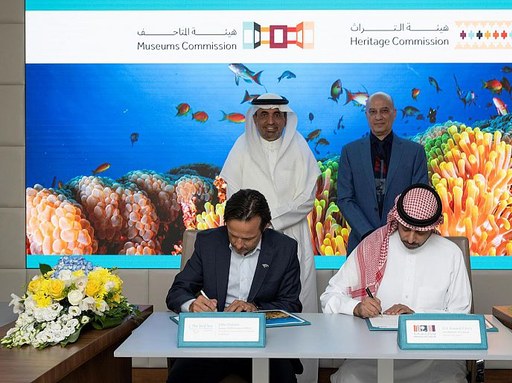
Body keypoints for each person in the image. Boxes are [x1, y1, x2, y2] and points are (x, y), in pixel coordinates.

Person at [321, 183, 472, 383]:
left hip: (433, 357)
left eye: (420, 232)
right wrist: (356, 307)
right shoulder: (373, 246)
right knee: (350, 378)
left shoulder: (451, 254)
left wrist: (416, 317)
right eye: (405, 228)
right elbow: (329, 297)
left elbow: (461, 316)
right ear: (397, 220)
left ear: (432, 227)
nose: (411, 238)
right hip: (374, 352)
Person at [220, 93, 320, 383]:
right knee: (252, 299)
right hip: (250, 241)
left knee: (298, 302)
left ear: (286, 118)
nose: (271, 121)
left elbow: (307, 199)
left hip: (294, 236)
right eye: (264, 114)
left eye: (278, 114)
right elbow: (233, 200)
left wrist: (270, 222)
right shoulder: (241, 148)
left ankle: (299, 376)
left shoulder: (299, 146)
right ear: (254, 118)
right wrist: (256, 228)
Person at [166, 189, 302, 383]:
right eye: (233, 235)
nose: (238, 244)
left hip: (264, 341)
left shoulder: (284, 248)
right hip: (212, 341)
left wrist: (255, 309)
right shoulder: (208, 242)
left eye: (248, 239)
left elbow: (291, 304)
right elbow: (177, 291)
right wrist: (192, 305)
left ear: (265, 227)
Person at [337, 92, 429, 255]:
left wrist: (398, 231)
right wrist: (368, 233)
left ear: (394, 113)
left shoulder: (415, 152)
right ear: (366, 115)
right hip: (361, 242)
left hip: (403, 244)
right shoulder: (349, 152)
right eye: (373, 111)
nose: (378, 117)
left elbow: (419, 197)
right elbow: (345, 199)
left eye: (384, 111)